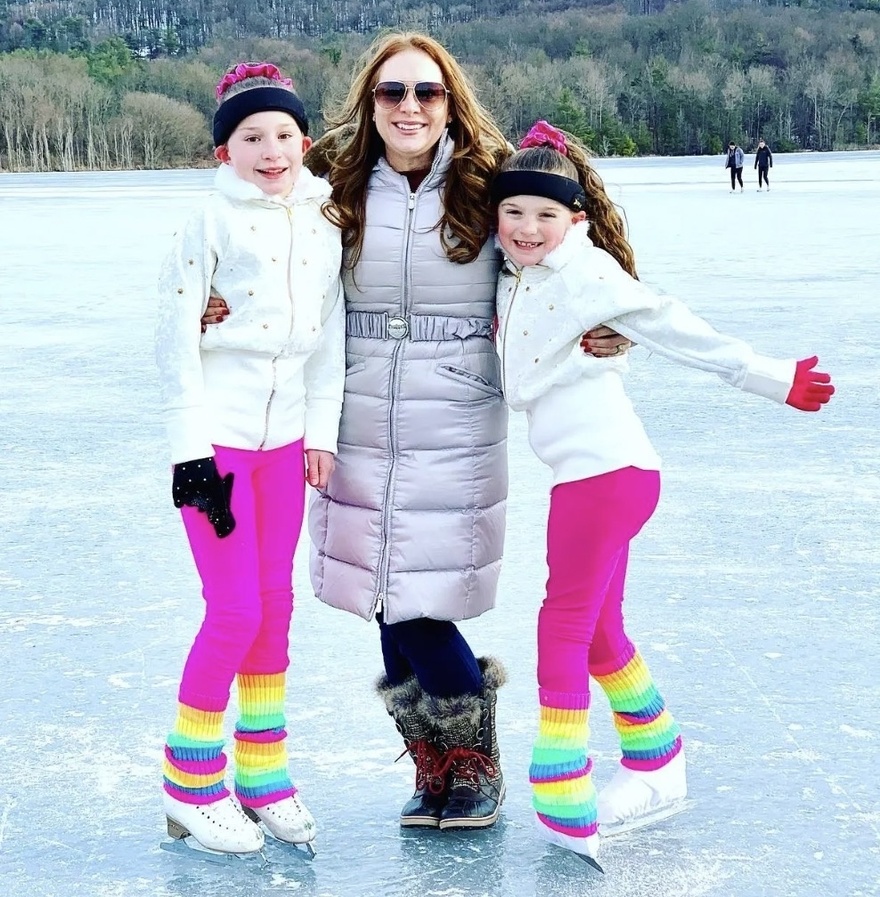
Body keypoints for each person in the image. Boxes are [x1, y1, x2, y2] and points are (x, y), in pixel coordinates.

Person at [200, 32, 631, 834]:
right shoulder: (332, 180)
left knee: (418, 597)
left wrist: (613, 320)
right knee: (380, 591)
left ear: (448, 101)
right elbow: (258, 238)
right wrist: (215, 303)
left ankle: (473, 762)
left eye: (426, 93)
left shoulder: (484, 177)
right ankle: (434, 765)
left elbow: (573, 233)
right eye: (393, 92)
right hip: (353, 404)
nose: (409, 107)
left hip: (454, 403)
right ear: (371, 101)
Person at [490, 120, 834, 866]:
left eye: (546, 214)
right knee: (601, 631)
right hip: (599, 472)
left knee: (563, 625)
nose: (526, 227)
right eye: (513, 211)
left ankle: (562, 782)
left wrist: (770, 376)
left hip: (604, 475)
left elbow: (673, 325)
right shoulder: (511, 265)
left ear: (575, 219)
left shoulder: (588, 273)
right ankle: (654, 749)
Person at [154, 62, 345, 856]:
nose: (271, 150)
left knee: (274, 606)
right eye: (250, 136)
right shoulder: (208, 221)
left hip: (287, 448)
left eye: (283, 135)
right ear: (222, 151)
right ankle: (190, 782)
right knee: (233, 609)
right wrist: (189, 453)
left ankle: (262, 771)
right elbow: (173, 343)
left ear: (304, 140)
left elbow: (328, 340)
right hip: (219, 450)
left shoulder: (326, 218)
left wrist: (323, 433)